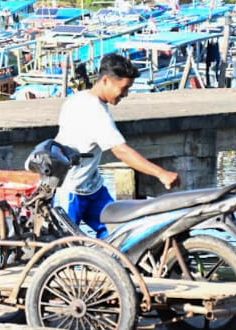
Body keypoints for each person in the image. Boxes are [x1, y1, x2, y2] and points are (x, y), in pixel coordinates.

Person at [54, 52, 179, 239]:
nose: (126, 94)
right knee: (63, 248)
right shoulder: (94, 111)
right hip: (71, 190)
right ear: (106, 80)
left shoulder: (77, 99)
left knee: (119, 234)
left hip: (93, 187)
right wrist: (161, 173)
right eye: (124, 88)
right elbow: (121, 151)